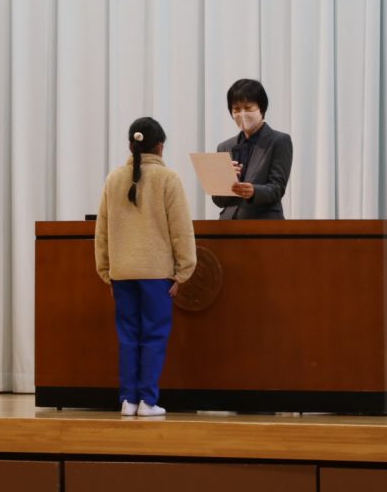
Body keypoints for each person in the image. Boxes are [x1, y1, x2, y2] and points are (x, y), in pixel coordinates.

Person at [95, 117, 197, 417]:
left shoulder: (113, 179)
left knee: (128, 336)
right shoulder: (169, 179)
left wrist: (106, 272)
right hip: (156, 275)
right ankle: (148, 401)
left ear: (131, 146)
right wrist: (184, 271)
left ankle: (128, 400)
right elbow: (181, 230)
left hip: (122, 273)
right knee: (154, 336)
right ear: (160, 147)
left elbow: (101, 231)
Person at [211, 79, 293, 220]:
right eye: (236, 109)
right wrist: (225, 182)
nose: (242, 114)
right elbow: (218, 200)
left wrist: (254, 191)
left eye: (248, 108)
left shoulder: (279, 141)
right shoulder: (224, 147)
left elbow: (277, 188)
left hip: (264, 223)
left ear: (262, 108)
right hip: (228, 224)